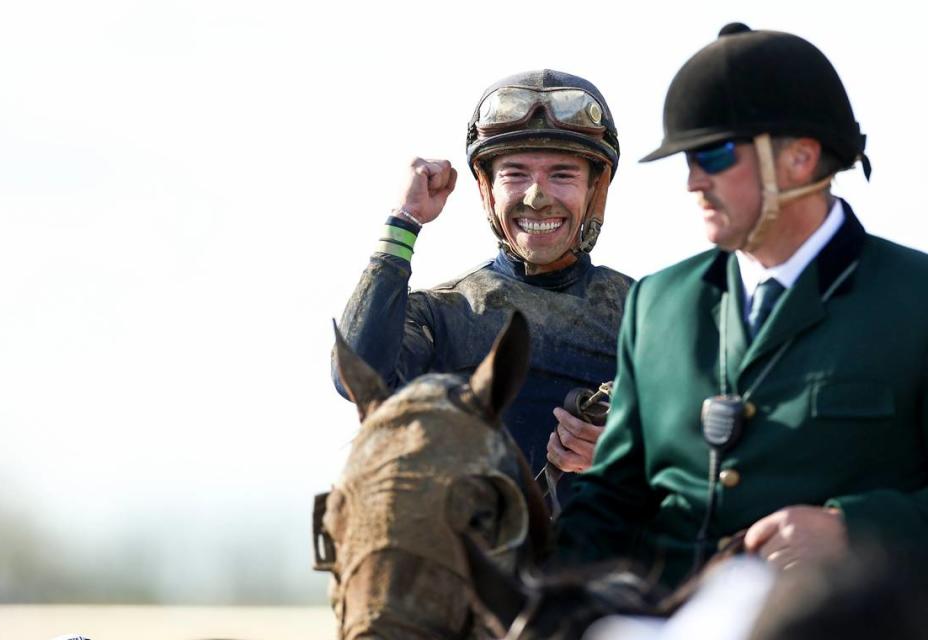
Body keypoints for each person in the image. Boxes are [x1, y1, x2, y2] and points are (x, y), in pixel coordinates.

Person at [557, 23, 928, 589]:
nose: (692, 182)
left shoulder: (915, 297)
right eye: (687, 160)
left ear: (801, 159)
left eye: (713, 155)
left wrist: (855, 528)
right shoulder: (657, 304)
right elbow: (613, 494)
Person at [331, 70, 633, 483]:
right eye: (515, 174)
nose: (536, 197)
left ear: (595, 190)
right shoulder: (441, 315)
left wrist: (628, 447)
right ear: (487, 189)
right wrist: (404, 221)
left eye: (562, 174)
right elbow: (358, 377)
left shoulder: (648, 313)